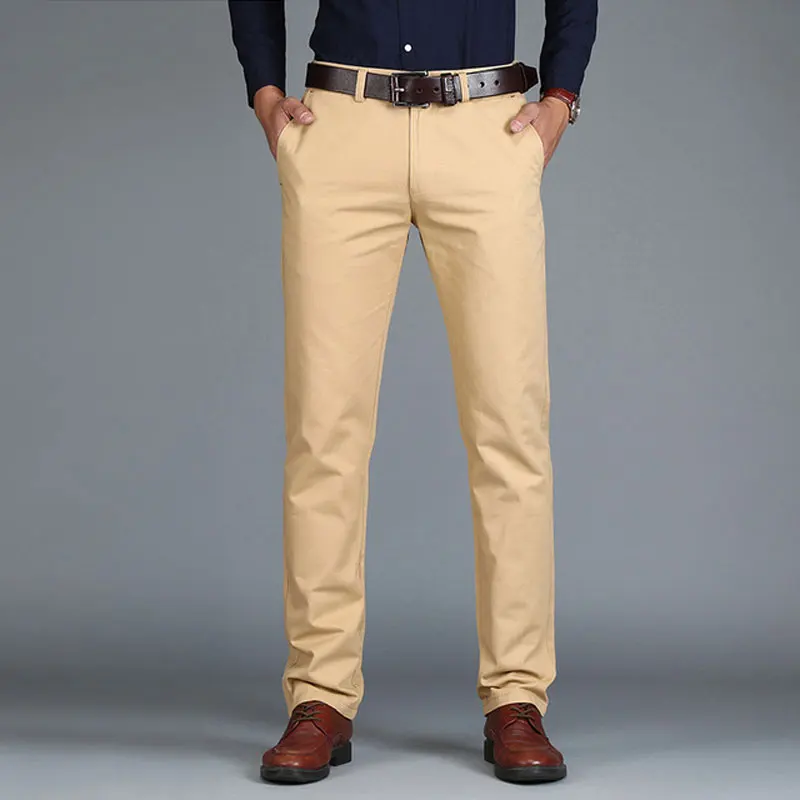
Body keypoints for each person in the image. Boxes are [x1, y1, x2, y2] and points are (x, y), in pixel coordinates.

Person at [227, 0, 597, 785]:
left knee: (510, 429)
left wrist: (561, 97)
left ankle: (517, 696)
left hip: (485, 128)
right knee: (324, 430)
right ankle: (320, 694)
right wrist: (265, 93)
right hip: (341, 127)